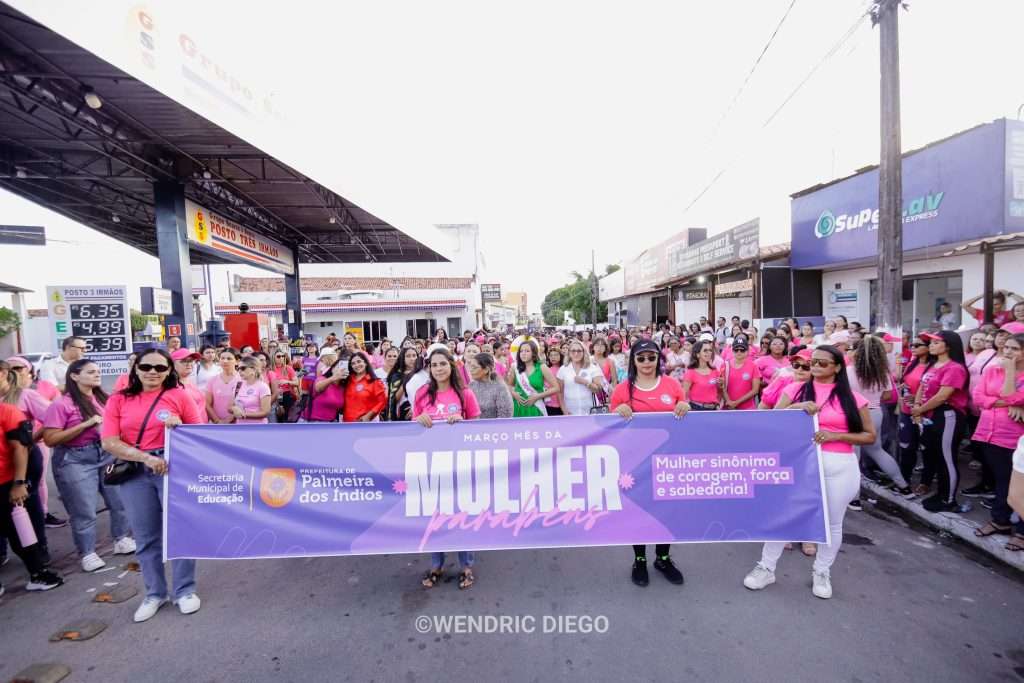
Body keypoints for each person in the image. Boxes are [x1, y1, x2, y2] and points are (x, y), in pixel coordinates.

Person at [744, 345, 875, 599]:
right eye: (812, 362)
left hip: (839, 466)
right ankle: (766, 568)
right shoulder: (794, 390)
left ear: (837, 367)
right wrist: (795, 408)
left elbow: (869, 435)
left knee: (832, 523)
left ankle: (822, 572)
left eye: (822, 363)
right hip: (798, 465)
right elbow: (772, 422)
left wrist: (835, 435)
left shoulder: (853, 398)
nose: (814, 367)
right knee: (783, 517)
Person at [100, 348, 204, 622]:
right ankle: (154, 594)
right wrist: (145, 458)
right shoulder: (118, 400)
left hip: (174, 468)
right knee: (146, 537)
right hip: (135, 470)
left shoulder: (179, 395)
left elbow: (200, 435)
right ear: (136, 368)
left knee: (181, 531)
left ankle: (184, 590)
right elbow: (109, 441)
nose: (153, 373)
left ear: (169, 370)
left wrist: (179, 427)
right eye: (147, 367)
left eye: (160, 368)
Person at [42, 359, 134, 573]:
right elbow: (50, 439)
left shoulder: (105, 398)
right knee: (84, 510)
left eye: (98, 371)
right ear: (74, 376)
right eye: (91, 372)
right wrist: (86, 424)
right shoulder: (61, 404)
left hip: (107, 454)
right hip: (75, 459)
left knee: (119, 501)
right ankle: (87, 552)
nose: (97, 375)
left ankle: (121, 538)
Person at [610, 339, 689, 587]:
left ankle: (663, 558)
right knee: (640, 513)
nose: (646, 362)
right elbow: (609, 427)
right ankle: (640, 559)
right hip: (635, 464)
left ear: (659, 360)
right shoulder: (623, 389)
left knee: (666, 512)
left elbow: (684, 419)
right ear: (633, 360)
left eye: (651, 357)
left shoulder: (672, 384)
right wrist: (618, 411)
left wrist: (685, 406)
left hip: (667, 461)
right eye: (641, 358)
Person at [414, 347, 481, 590]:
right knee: (434, 517)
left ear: (452, 365)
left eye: (443, 363)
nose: (439, 368)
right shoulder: (422, 394)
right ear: (429, 369)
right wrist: (418, 420)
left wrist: (462, 424)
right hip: (430, 465)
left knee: (461, 516)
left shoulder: (465, 394)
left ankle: (466, 566)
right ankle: (436, 564)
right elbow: (414, 427)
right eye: (434, 365)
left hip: (459, 465)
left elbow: (477, 430)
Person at [0, 361, 63, 592]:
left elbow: (20, 448)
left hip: (7, 481)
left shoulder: (8, 410)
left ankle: (38, 572)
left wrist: (18, 483)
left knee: (19, 528)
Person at [970, 333, 1024, 550]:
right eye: (1007, 348)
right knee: (1000, 481)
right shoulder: (993, 369)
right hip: (988, 431)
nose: (1008, 352)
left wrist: (1011, 374)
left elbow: (1015, 398)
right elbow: (979, 397)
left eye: (1015, 349)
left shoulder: (1013, 372)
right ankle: (1000, 521)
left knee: (1018, 485)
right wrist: (1002, 402)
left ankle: (1021, 529)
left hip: (1013, 436)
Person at [911, 331, 970, 513]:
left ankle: (949, 499)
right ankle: (941, 493)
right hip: (930, 414)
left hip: (947, 415)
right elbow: (922, 386)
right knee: (935, 455)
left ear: (949, 345)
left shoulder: (954, 368)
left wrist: (920, 409)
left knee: (947, 458)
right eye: (931, 342)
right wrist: (917, 406)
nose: (931, 345)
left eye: (936, 342)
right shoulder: (934, 364)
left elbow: (943, 395)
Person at [848, 336, 911, 494]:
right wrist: (873, 398)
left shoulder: (848, 371)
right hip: (875, 413)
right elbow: (888, 396)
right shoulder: (881, 373)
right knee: (876, 450)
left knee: (853, 455)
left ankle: (854, 498)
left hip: (854, 414)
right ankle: (903, 486)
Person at [507, 340, 559, 418]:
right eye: (521, 351)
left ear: (533, 353)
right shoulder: (515, 367)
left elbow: (556, 388)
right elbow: (509, 386)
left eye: (527, 351)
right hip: (518, 407)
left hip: (536, 406)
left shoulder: (542, 367)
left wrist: (537, 396)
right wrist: (514, 394)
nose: (523, 353)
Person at [557, 340, 605, 416]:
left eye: (579, 351)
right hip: (570, 411)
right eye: (573, 351)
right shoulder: (563, 369)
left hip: (591, 411)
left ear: (584, 352)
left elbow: (599, 390)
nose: (576, 354)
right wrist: (564, 409)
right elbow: (560, 392)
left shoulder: (592, 367)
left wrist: (586, 382)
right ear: (569, 353)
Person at [304, 348, 347, 423]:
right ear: (332, 369)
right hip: (313, 422)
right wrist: (333, 378)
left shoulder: (342, 387)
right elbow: (318, 387)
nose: (340, 370)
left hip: (331, 423)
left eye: (343, 367)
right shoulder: (322, 378)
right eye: (338, 367)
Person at [342, 352, 386, 422]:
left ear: (365, 363)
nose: (356, 365)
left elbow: (382, 401)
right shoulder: (347, 380)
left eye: (359, 361)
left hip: (366, 422)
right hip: (347, 422)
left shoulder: (374, 381)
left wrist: (369, 416)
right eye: (353, 363)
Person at [467, 353, 514, 419]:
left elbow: (505, 416)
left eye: (474, 367)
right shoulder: (471, 385)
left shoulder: (500, 387)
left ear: (486, 369)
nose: (471, 370)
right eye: (471, 367)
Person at [682, 340, 722, 411]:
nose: (709, 353)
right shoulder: (690, 372)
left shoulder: (715, 371)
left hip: (714, 409)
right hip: (697, 409)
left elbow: (719, 391)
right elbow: (683, 394)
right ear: (697, 354)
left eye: (710, 350)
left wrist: (721, 386)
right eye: (705, 350)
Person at [206, 348, 243, 424]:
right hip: (217, 425)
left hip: (239, 423)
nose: (225, 361)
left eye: (229, 358)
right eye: (222, 358)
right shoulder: (212, 380)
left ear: (237, 361)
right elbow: (207, 404)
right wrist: (217, 421)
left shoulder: (242, 379)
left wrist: (230, 419)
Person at [229, 358, 272, 424]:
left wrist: (244, 414)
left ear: (253, 369)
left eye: (243, 368)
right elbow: (229, 407)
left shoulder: (263, 387)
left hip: (257, 427)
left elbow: (265, 412)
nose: (239, 371)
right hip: (240, 427)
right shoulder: (238, 385)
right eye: (238, 368)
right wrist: (234, 409)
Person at [723, 337, 760, 410]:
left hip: (748, 408)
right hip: (728, 407)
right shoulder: (725, 365)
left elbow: (755, 390)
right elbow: (722, 387)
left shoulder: (753, 366)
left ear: (747, 351)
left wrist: (737, 402)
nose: (739, 352)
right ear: (732, 350)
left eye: (742, 350)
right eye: (736, 350)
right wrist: (729, 401)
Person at [171, 350, 207, 423]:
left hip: (201, 428)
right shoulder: (173, 387)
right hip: (189, 430)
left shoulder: (189, 381)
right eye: (184, 361)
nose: (189, 364)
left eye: (191, 361)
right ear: (172, 364)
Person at [268, 349, 298, 422]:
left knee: (287, 418)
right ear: (273, 357)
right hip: (273, 395)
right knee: (275, 418)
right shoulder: (269, 369)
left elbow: (296, 382)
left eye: (283, 356)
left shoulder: (288, 368)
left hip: (287, 395)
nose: (281, 358)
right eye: (278, 356)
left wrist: (287, 382)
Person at [544, 346, 565, 416]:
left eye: (556, 355)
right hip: (549, 404)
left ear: (561, 356)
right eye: (551, 355)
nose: (553, 357)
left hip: (563, 404)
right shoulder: (547, 370)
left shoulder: (564, 369)